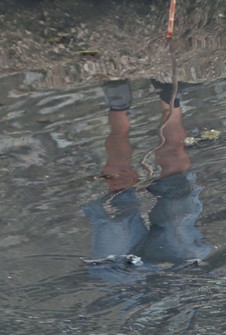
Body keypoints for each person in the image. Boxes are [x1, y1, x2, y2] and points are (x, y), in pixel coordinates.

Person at [83, 78, 210, 278]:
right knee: (178, 185)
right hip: (184, 274)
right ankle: (170, 98)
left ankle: (118, 108)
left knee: (118, 193)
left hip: (123, 278)